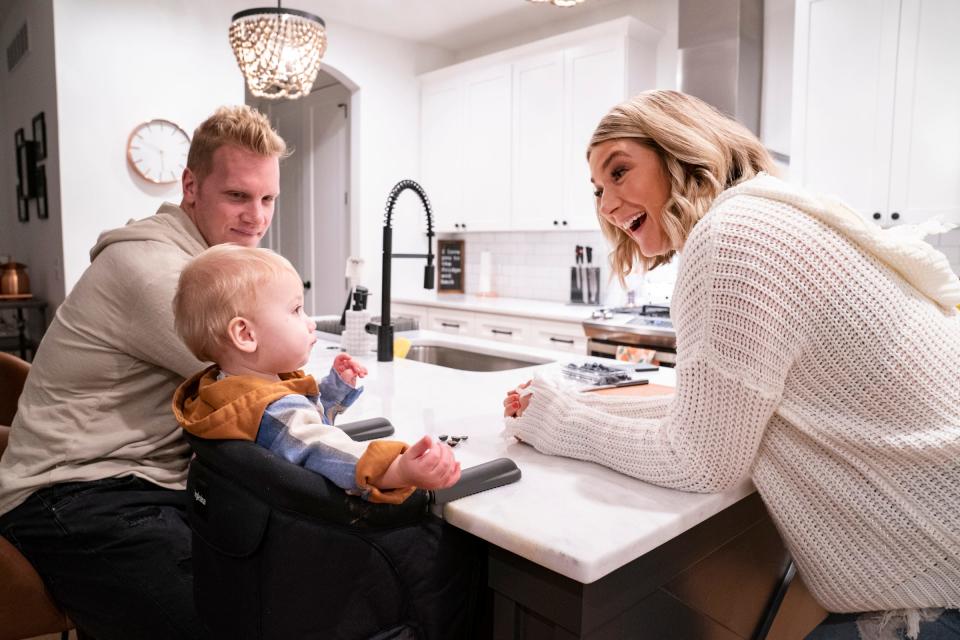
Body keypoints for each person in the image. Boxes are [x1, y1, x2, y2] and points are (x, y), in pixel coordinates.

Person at [503, 90, 960, 640]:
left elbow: (699, 459)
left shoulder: (730, 238)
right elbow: (717, 417)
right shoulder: (766, 214)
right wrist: (568, 403)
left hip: (938, 585)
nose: (605, 203)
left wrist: (558, 423)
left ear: (679, 151)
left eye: (620, 171)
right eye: (599, 189)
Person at [0, 105, 287, 639]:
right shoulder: (159, 274)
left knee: (272, 579)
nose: (257, 216)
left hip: (141, 481)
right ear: (191, 187)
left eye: (267, 197)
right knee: (221, 623)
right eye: (238, 196)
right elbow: (256, 382)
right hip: (73, 492)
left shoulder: (202, 263)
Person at [171, 244, 461, 502]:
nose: (310, 323)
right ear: (245, 334)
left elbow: (296, 432)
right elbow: (325, 451)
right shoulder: (277, 412)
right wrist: (398, 469)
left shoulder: (221, 391)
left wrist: (333, 389)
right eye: (296, 309)